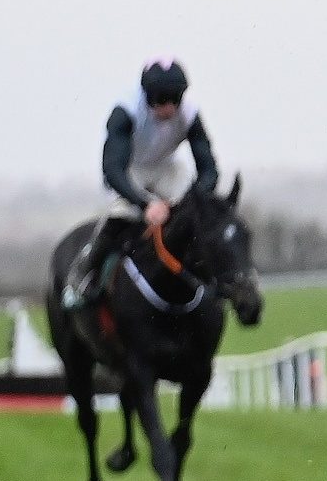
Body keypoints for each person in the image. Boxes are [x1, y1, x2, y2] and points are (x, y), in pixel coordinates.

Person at [60, 58, 220, 310]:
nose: (168, 109)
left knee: (200, 210)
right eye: (160, 101)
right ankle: (83, 272)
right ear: (147, 96)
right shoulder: (125, 111)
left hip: (166, 167)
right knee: (121, 214)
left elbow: (209, 169)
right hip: (129, 169)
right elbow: (113, 170)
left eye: (174, 101)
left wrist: (196, 199)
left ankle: (217, 274)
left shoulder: (190, 113)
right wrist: (145, 204)